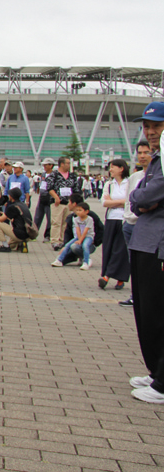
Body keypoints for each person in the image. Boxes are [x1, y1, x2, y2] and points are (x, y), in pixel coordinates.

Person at [126, 102, 164, 404]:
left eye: (157, 126)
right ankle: (156, 371)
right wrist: (141, 200)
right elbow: (139, 200)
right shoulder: (155, 159)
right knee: (146, 313)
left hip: (158, 245)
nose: (150, 132)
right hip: (144, 242)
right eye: (147, 126)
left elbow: (146, 195)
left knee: (158, 314)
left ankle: (162, 383)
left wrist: (141, 199)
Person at [119, 140, 152, 307]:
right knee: (134, 263)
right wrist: (126, 219)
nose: (143, 156)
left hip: (146, 226)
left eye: (147, 152)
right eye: (140, 153)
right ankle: (135, 295)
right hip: (130, 225)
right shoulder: (135, 177)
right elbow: (128, 200)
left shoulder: (156, 177)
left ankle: (147, 297)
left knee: (147, 264)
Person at [99, 159, 130, 290]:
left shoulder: (130, 183)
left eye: (113, 167)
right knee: (108, 248)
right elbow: (104, 202)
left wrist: (113, 202)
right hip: (111, 219)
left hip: (125, 219)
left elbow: (130, 201)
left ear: (121, 168)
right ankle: (111, 275)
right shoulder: (109, 184)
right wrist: (120, 202)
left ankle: (109, 276)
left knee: (120, 249)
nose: (110, 170)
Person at [48, 157, 82, 250]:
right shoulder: (54, 174)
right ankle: (55, 241)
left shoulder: (72, 176)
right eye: (67, 163)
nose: (69, 165)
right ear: (62, 164)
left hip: (69, 203)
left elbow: (76, 189)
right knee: (56, 222)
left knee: (66, 223)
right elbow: (49, 188)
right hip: (57, 203)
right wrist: (56, 197)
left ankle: (63, 240)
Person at [51, 203, 95, 269]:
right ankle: (59, 260)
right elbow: (77, 230)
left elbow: (85, 231)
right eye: (77, 210)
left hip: (88, 236)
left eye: (80, 210)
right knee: (67, 245)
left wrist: (80, 240)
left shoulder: (89, 219)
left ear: (86, 211)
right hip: (78, 236)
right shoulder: (76, 219)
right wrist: (79, 239)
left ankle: (86, 262)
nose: (78, 212)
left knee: (85, 245)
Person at [0, 187, 34, 253]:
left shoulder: (12, 206)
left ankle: (5, 247)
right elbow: (17, 218)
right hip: (28, 234)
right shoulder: (23, 205)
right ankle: (21, 244)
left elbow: (1, 220)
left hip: (19, 234)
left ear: (11, 196)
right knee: (11, 245)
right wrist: (4, 214)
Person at [33, 158, 55, 242]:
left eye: (46, 165)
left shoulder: (54, 175)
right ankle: (33, 234)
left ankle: (48, 235)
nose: (44, 167)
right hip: (42, 196)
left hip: (50, 197)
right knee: (37, 216)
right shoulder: (43, 174)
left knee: (49, 217)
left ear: (51, 165)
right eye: (43, 165)